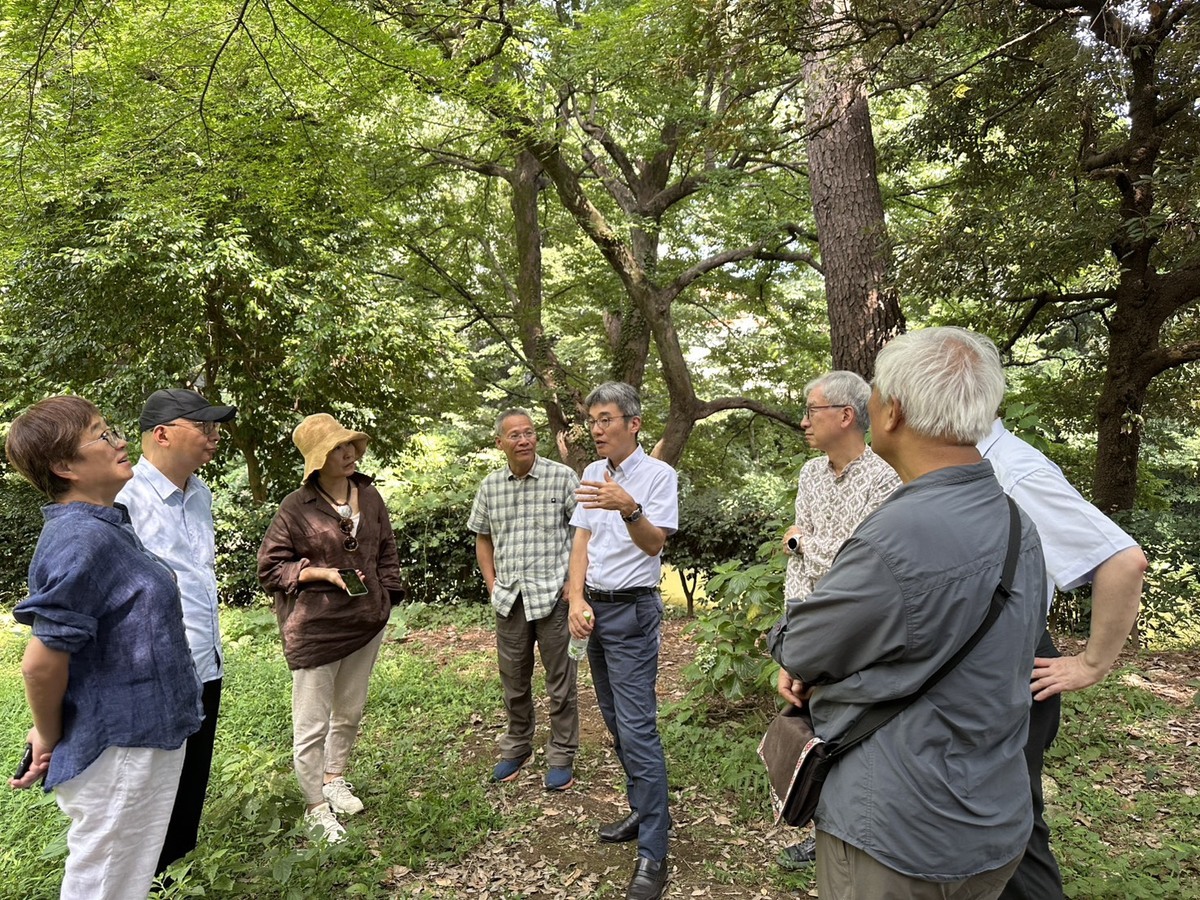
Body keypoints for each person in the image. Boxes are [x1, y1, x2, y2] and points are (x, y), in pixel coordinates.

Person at [768, 327, 1047, 899]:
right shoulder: (1018, 523)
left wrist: (786, 635)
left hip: (899, 833)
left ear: (890, 411)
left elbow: (803, 649)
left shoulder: (898, 535)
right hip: (994, 820)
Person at [5, 396, 202, 900]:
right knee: (106, 884)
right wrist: (47, 735)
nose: (118, 441)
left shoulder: (107, 526)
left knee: (125, 878)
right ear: (64, 466)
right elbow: (40, 662)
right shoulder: (80, 539)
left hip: (142, 734)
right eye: (101, 434)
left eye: (111, 430)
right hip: (121, 745)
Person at [979, 419, 1146, 900]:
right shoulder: (977, 464)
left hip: (1016, 666)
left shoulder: (1014, 472)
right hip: (990, 667)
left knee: (1011, 832)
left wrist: (1091, 665)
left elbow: (1123, 560)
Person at [257, 413, 405, 843]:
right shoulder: (295, 506)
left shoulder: (370, 496)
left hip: (366, 623)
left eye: (351, 445)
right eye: (338, 448)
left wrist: (386, 598)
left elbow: (387, 551)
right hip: (316, 627)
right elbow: (270, 568)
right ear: (318, 459)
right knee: (312, 722)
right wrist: (318, 573)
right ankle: (314, 806)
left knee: (350, 710)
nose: (350, 453)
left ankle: (334, 778)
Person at [777, 370, 900, 870]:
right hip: (806, 623)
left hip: (853, 631)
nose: (803, 422)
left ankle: (856, 838)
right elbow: (801, 559)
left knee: (849, 734)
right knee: (812, 731)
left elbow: (860, 566)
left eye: (812, 411)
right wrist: (795, 639)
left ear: (846, 416)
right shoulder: (810, 474)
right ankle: (824, 832)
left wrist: (802, 542)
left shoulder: (886, 479)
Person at [116, 388, 237, 877]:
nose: (214, 438)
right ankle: (143, 877)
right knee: (147, 789)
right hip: (154, 667)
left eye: (216, 428)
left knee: (190, 780)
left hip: (204, 660)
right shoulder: (124, 498)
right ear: (162, 434)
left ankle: (175, 874)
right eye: (203, 427)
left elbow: (195, 575)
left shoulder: (201, 492)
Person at [566, 382, 679, 900]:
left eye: (606, 419)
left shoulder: (659, 476)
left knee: (637, 727)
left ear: (633, 423)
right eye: (592, 420)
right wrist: (574, 601)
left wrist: (629, 507)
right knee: (612, 719)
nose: (596, 428)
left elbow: (655, 543)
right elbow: (582, 542)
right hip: (595, 609)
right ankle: (641, 807)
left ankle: (654, 851)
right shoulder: (590, 474)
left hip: (634, 611)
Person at [468, 408, 581, 790]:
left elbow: (585, 532)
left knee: (560, 681)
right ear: (500, 443)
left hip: (554, 595)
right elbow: (482, 537)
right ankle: (517, 746)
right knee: (514, 679)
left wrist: (574, 584)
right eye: (514, 435)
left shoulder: (562, 477)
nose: (523, 440)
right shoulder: (490, 487)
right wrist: (490, 581)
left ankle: (562, 753)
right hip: (509, 598)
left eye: (529, 433)